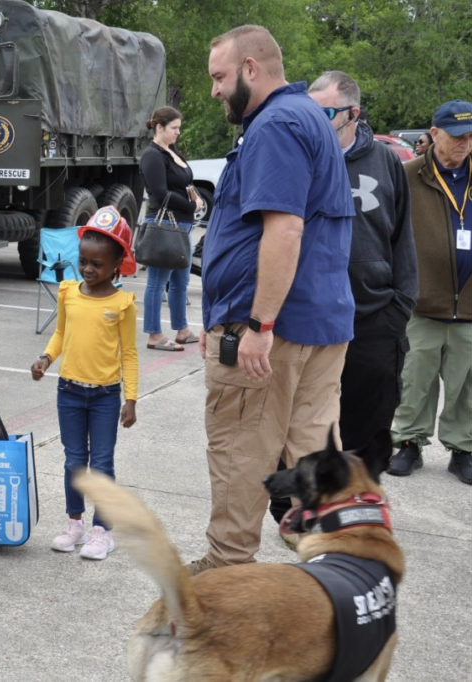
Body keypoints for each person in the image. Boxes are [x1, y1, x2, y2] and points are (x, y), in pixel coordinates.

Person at [191, 26, 355, 575]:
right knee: (315, 461)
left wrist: (257, 323)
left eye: (219, 76)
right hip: (321, 323)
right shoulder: (311, 117)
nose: (214, 90)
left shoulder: (277, 124)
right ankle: (340, 575)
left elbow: (284, 231)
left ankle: (228, 575)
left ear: (252, 69)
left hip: (273, 331)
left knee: (241, 453)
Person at [268, 70, 419, 539]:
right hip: (309, 321)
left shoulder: (385, 162)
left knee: (362, 431)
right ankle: (291, 514)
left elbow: (402, 241)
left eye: (327, 112)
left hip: (373, 322)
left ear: (353, 114)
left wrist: (399, 309)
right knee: (298, 427)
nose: (316, 120)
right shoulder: (300, 158)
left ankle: (348, 521)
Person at [31, 206, 139, 561]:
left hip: (106, 396)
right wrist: (46, 359)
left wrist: (131, 399)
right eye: (84, 262)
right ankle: (74, 523)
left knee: (102, 464)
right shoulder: (68, 293)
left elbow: (129, 354)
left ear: (117, 264)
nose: (89, 270)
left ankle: (102, 531)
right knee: (74, 461)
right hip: (70, 391)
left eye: (98, 264)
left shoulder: (123, 303)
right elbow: (61, 333)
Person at [388, 100, 472, 485]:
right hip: (422, 302)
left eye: (471, 136)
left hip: (469, 304)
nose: (465, 144)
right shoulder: (407, 175)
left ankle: (463, 448)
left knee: (466, 384)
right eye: (457, 136)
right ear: (434, 134)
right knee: (415, 379)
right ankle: (408, 444)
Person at [139, 106, 203, 352]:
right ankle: (154, 334)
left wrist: (195, 198)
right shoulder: (152, 155)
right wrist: (189, 204)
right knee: (157, 281)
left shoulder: (172, 151)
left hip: (183, 225)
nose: (178, 132)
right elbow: (160, 193)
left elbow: (185, 182)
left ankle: (182, 330)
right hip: (164, 225)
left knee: (180, 281)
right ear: (159, 127)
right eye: (174, 128)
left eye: (179, 128)